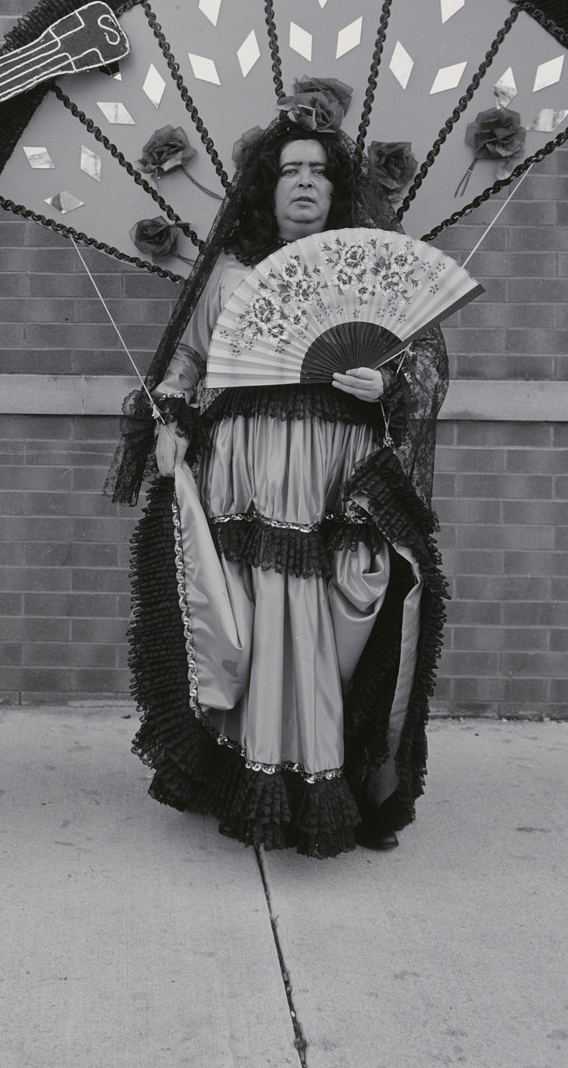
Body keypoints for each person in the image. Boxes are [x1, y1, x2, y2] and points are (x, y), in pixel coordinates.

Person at [125, 89, 451, 859]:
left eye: (318, 171)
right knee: (250, 620)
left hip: (336, 472)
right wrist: (170, 417)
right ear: (266, 187)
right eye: (289, 170)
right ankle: (242, 775)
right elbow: (187, 360)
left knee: (339, 611)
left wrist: (386, 383)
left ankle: (338, 782)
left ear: (338, 188)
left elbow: (424, 364)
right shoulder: (227, 275)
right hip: (243, 469)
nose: (304, 182)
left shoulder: (365, 269)